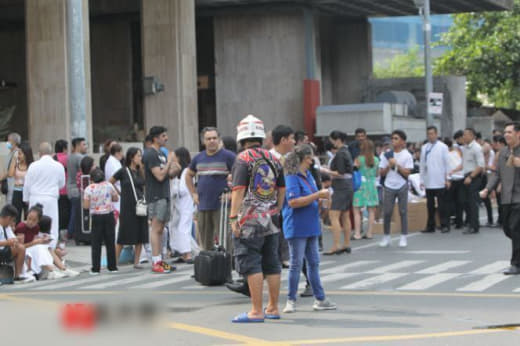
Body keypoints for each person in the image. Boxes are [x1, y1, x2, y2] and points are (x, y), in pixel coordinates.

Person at [230, 114, 285, 323]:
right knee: (272, 262)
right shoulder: (274, 158)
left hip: (249, 220)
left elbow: (238, 190)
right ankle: (272, 307)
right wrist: (277, 208)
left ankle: (256, 310)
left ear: (241, 138)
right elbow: (282, 188)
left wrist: (233, 217)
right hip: (271, 218)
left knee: (251, 262)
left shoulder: (242, 159)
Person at [281, 144, 336, 313]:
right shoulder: (292, 177)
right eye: (311, 157)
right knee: (296, 263)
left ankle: (320, 298)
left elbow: (311, 198)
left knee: (313, 263)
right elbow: (293, 202)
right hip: (297, 225)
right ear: (305, 158)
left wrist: (321, 200)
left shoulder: (308, 176)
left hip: (311, 224)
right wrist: (317, 195)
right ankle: (290, 299)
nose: (312, 160)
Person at [185, 127, 236, 251]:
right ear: (203, 141)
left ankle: (227, 266)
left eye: (214, 138)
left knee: (225, 241)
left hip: (222, 206)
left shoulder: (228, 156)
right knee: (205, 242)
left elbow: (241, 175)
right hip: (203, 205)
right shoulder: (198, 158)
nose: (212, 141)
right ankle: (209, 267)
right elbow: (188, 175)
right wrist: (193, 194)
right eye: (208, 139)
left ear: (219, 139)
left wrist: (232, 194)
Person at [480, 122, 520, 275]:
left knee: (515, 230)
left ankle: (516, 264)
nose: (506, 135)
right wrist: (487, 189)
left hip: (519, 198)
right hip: (506, 198)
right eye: (505, 132)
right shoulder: (503, 152)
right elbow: (497, 174)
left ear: (518, 134)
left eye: (510, 132)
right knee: (508, 229)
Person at [142, 126, 180, 274]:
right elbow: (159, 175)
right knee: (156, 228)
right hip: (156, 196)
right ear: (156, 138)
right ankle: (156, 261)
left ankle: (160, 260)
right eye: (163, 136)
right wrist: (170, 161)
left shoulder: (160, 154)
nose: (166, 138)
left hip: (164, 194)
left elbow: (168, 174)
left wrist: (174, 165)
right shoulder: (150, 154)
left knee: (161, 228)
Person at [110, 147, 148, 269]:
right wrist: (118, 192)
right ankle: (114, 262)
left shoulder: (141, 171)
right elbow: (110, 181)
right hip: (127, 206)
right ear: (132, 157)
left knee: (140, 234)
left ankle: (136, 262)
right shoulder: (123, 171)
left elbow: (144, 186)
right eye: (138, 156)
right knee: (123, 235)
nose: (140, 158)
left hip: (140, 204)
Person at [23, 142, 66, 252]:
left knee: (33, 223)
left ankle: (34, 247)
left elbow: (27, 184)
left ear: (39, 153)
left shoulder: (33, 165)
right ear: (52, 153)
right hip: (50, 198)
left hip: (35, 197)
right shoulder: (58, 166)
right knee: (52, 225)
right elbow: (62, 184)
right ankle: (50, 249)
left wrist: (26, 199)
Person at [379, 130, 414, 248]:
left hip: (401, 185)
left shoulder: (407, 155)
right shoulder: (386, 155)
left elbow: (408, 173)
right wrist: (389, 165)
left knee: (402, 211)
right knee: (387, 212)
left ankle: (403, 236)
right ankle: (386, 236)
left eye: (396, 138)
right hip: (389, 185)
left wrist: (397, 165)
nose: (393, 141)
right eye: (392, 138)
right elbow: (381, 173)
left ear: (403, 141)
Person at [322, 130, 354, 255]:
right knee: (345, 215)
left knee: (334, 215)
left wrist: (325, 170)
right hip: (348, 186)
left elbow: (340, 172)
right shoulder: (347, 151)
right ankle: (346, 244)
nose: (331, 143)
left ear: (337, 140)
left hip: (340, 186)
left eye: (332, 140)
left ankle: (336, 245)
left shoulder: (340, 153)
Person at [15, 204, 67, 280]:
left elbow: (34, 239)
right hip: (24, 250)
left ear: (38, 221)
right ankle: (51, 269)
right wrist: (37, 242)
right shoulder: (21, 227)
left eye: (34, 220)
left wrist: (43, 240)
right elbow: (21, 246)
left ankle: (63, 268)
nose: (30, 222)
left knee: (46, 247)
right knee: (40, 247)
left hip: (31, 248)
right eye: (29, 219)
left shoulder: (36, 228)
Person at [269, 125, 295, 268]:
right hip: (271, 201)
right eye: (291, 139)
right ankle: (274, 257)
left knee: (285, 227)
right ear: (284, 140)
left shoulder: (290, 158)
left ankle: (284, 256)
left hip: (288, 199)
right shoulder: (268, 157)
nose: (294, 142)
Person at [83, 168, 118, 275]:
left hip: (96, 217)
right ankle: (112, 267)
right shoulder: (109, 185)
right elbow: (116, 198)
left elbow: (86, 206)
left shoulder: (89, 189)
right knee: (110, 242)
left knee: (96, 243)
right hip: (108, 215)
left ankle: (95, 268)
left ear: (92, 179)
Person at [419, 126, 450, 234]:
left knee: (442, 205)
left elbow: (447, 164)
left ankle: (444, 224)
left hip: (440, 180)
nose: (430, 136)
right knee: (430, 206)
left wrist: (447, 178)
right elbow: (422, 164)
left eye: (432, 133)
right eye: (429, 134)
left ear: (436, 134)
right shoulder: (424, 147)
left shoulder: (443, 147)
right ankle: (430, 225)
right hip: (429, 181)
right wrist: (421, 180)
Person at [169, 147, 195, 263]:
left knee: (183, 226)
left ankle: (188, 253)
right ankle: (180, 251)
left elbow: (184, 190)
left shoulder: (186, 171)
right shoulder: (179, 172)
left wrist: (174, 189)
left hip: (186, 202)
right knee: (174, 226)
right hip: (178, 203)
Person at [352, 139, 379, 240]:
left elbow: (354, 171)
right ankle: (369, 233)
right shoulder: (376, 159)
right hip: (371, 185)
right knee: (372, 210)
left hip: (360, 185)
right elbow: (377, 174)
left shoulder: (358, 159)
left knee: (357, 210)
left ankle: (357, 233)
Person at [0, 204, 34, 283]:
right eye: (12, 220)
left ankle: (18, 275)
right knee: (20, 248)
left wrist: (16, 240)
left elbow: (12, 238)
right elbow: (6, 242)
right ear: (8, 218)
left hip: (3, 250)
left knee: (21, 247)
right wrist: (7, 242)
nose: (12, 223)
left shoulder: (6, 227)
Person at [461, 128, 485, 234]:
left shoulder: (476, 148)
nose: (464, 137)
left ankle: (474, 226)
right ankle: (470, 223)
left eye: (465, 135)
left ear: (472, 136)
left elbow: (480, 165)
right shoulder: (465, 147)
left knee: (472, 202)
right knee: (466, 202)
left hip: (474, 177)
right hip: (466, 176)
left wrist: (470, 177)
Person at [67, 137, 87, 240]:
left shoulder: (70, 157)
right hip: (77, 189)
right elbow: (85, 171)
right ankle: (71, 232)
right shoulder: (80, 157)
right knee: (76, 213)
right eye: (84, 144)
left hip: (70, 188)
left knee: (73, 212)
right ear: (78, 146)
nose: (86, 147)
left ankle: (70, 232)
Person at [8, 142, 34, 224]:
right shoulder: (16, 163)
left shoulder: (32, 165)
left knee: (28, 215)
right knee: (16, 216)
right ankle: (15, 233)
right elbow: (10, 174)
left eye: (20, 153)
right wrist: (14, 159)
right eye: (18, 153)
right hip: (17, 192)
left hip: (28, 193)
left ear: (26, 154)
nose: (19, 156)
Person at [445, 138, 465, 230]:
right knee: (456, 202)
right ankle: (458, 222)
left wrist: (452, 172)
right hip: (455, 178)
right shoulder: (455, 152)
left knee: (455, 201)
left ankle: (457, 221)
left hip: (455, 178)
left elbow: (462, 164)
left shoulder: (455, 152)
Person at [54, 139, 70, 237]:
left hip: (56, 189)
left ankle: (57, 229)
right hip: (65, 189)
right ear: (64, 148)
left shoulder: (53, 158)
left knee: (58, 211)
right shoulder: (67, 158)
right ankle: (64, 231)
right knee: (66, 211)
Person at [1, 133, 21, 205]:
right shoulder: (10, 153)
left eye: (9, 140)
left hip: (14, 186)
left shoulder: (17, 153)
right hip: (9, 185)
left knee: (11, 208)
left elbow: (10, 171)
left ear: (14, 142)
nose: (7, 142)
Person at [104, 143, 124, 215]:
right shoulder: (112, 162)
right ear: (116, 153)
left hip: (117, 191)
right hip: (116, 192)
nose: (122, 154)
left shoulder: (114, 161)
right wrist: (119, 192)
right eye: (121, 152)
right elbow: (112, 180)